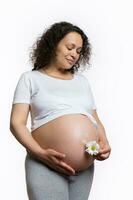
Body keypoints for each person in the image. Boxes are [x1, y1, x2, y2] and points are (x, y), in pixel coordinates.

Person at [10, 21, 111, 200]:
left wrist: (104, 144)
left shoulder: (82, 82)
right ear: (53, 44)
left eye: (79, 51)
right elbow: (16, 123)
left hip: (84, 171)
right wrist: (40, 153)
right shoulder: (30, 79)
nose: (74, 54)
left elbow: (94, 118)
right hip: (44, 164)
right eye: (70, 47)